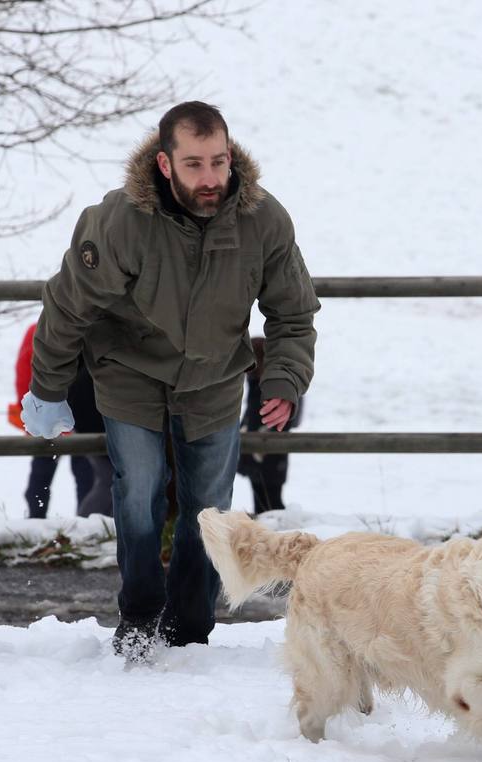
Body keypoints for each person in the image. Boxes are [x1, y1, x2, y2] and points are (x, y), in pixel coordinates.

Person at [21, 101, 318, 662]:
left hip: (214, 379)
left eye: (218, 162)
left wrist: (282, 379)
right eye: (194, 165)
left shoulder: (264, 221)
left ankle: (189, 629)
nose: (210, 178)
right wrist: (49, 388)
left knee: (209, 509)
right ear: (164, 164)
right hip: (129, 373)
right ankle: (137, 618)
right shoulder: (120, 221)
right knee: (138, 496)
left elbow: (292, 313)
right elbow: (67, 308)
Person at [7, 323, 113, 517]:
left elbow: (24, 375)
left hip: (70, 418)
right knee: (53, 476)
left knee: (75, 475)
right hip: (60, 419)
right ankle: (42, 520)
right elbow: (25, 375)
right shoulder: (44, 331)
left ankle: (69, 522)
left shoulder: (44, 330)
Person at [237, 336, 302, 513]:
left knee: (270, 499)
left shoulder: (272, 385)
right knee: (265, 497)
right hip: (261, 447)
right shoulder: (260, 382)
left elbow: (291, 416)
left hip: (270, 448)